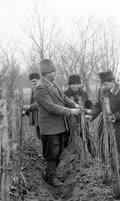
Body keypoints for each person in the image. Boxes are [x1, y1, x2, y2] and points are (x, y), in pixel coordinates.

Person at [35, 59, 82, 187]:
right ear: (46, 72)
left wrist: (75, 104)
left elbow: (64, 98)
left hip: (59, 126)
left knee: (60, 149)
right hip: (50, 127)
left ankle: (51, 173)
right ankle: (50, 177)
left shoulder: (53, 84)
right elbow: (51, 107)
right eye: (53, 71)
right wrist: (71, 111)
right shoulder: (40, 87)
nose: (55, 73)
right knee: (52, 152)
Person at [88, 70, 120, 176]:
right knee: (104, 144)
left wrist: (115, 116)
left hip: (118, 125)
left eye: (106, 84)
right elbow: (98, 106)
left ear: (113, 81)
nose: (104, 86)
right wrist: (91, 115)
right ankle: (109, 167)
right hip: (104, 124)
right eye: (103, 84)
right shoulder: (102, 91)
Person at [64, 74, 95, 156]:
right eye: (73, 84)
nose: (75, 86)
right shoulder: (65, 94)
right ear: (69, 85)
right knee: (68, 139)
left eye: (77, 84)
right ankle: (71, 158)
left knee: (87, 138)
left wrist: (90, 110)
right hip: (69, 122)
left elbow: (89, 103)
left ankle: (93, 156)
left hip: (82, 121)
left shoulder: (83, 93)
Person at [23, 73, 41, 139]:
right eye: (32, 81)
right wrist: (26, 111)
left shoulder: (43, 88)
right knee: (39, 134)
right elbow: (29, 101)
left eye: (34, 81)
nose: (33, 83)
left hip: (42, 115)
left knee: (43, 134)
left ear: (39, 80)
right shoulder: (32, 89)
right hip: (35, 115)